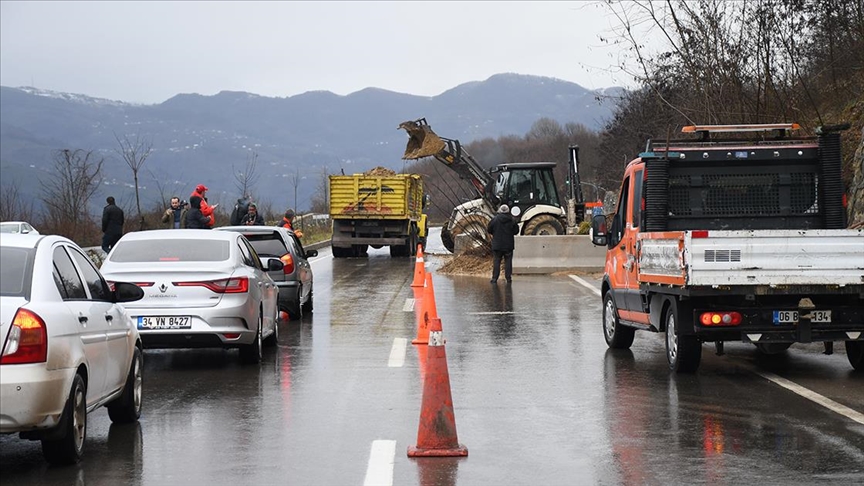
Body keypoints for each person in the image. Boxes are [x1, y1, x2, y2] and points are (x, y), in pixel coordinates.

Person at [487, 204, 519, 284]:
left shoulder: (494, 220)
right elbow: (516, 231)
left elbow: (489, 230)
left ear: (500, 211)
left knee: (497, 261)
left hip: (497, 245)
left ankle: (494, 278)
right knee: (508, 262)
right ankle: (508, 278)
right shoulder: (512, 220)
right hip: (508, 245)